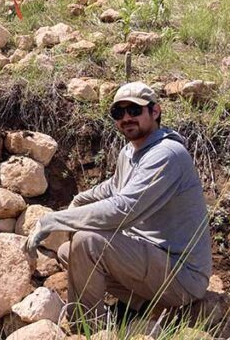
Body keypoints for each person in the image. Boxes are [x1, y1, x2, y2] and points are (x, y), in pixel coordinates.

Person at [25, 82, 212, 319]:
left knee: (87, 243)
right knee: (67, 251)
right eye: (118, 112)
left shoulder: (166, 154)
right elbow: (113, 187)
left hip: (182, 276)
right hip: (151, 261)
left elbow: (124, 209)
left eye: (134, 110)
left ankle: (85, 326)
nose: (126, 118)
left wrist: (54, 220)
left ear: (155, 111)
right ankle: (147, 308)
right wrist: (80, 199)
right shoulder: (129, 152)